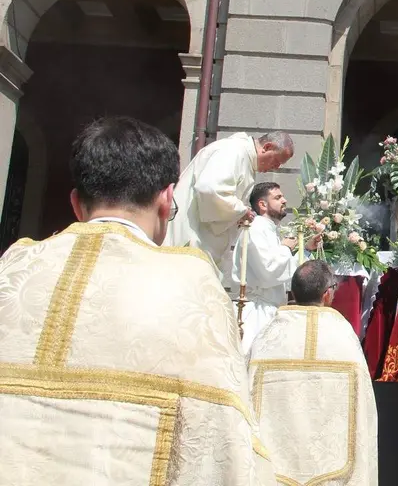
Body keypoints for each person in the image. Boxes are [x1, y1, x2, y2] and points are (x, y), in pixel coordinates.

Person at [0, 116, 273, 484]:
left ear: (76, 203)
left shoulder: (13, 267)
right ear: (166, 200)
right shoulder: (189, 282)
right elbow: (221, 433)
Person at [249, 259, 378, 486]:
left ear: (294, 292)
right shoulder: (343, 338)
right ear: (328, 294)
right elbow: (363, 410)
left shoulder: (268, 337)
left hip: (274, 473)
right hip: (333, 472)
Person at [167, 130, 294, 276]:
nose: (276, 167)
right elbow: (210, 189)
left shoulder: (245, 159)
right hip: (192, 238)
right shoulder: (233, 151)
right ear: (267, 147)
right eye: (277, 161)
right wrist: (242, 211)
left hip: (207, 246)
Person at [232, 181, 301, 352]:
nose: (284, 200)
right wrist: (285, 248)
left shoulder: (269, 229)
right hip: (256, 313)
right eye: (277, 197)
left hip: (269, 308)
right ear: (262, 205)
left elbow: (282, 270)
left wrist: (305, 249)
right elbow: (268, 272)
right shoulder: (255, 229)